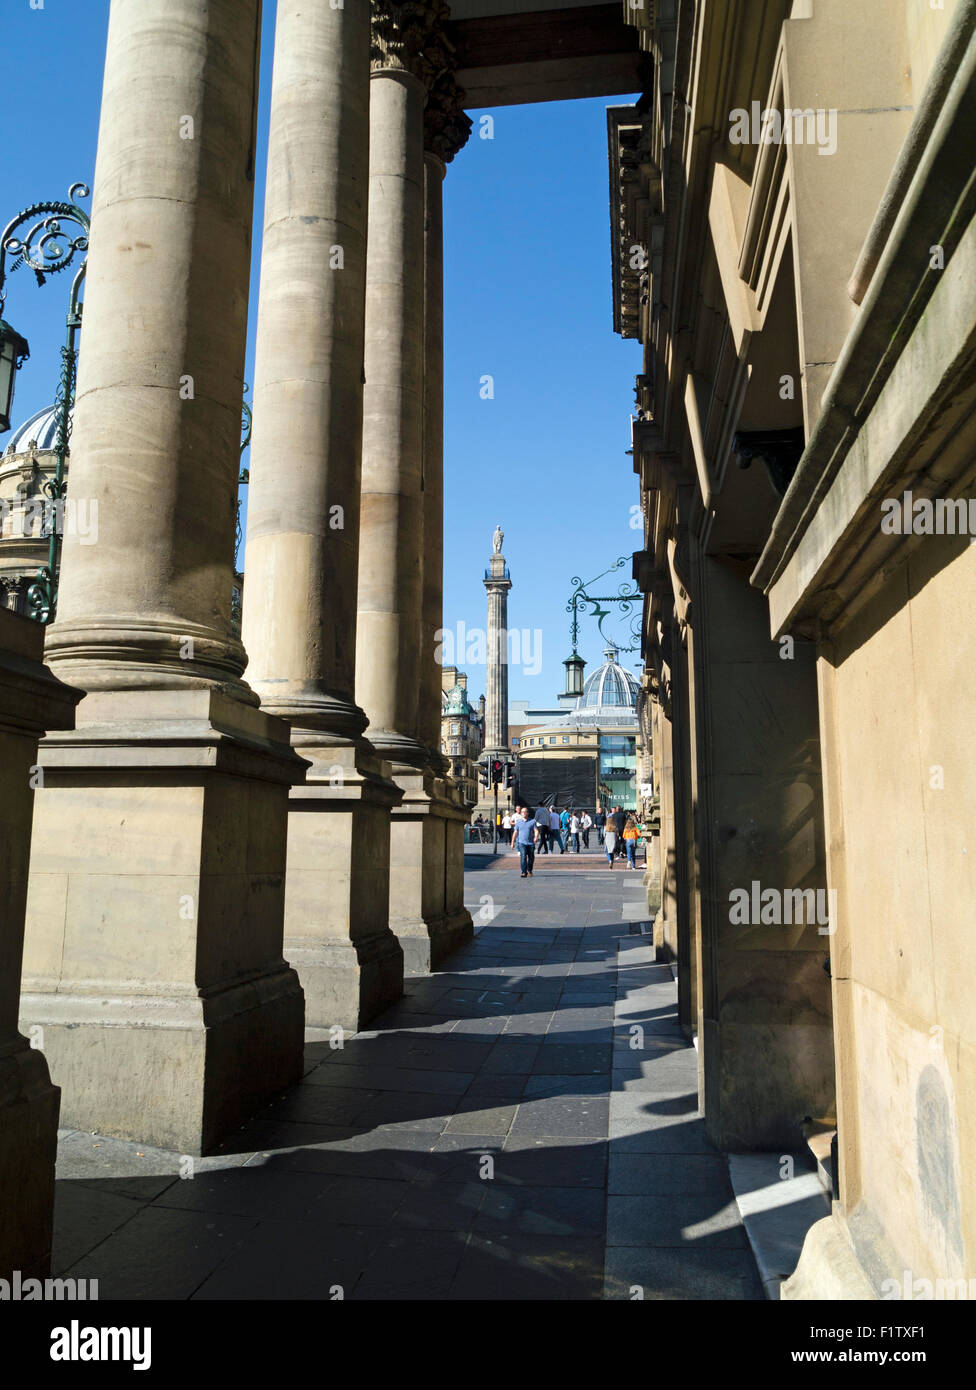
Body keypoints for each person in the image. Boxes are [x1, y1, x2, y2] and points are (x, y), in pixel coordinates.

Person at [511, 806, 539, 878]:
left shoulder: (532, 821)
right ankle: (523, 872)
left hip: (531, 843)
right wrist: (512, 842)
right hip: (521, 843)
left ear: (528, 813)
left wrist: (536, 837)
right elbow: (515, 832)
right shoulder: (518, 822)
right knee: (523, 857)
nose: (523, 813)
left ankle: (529, 870)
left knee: (531, 858)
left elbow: (536, 830)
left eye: (525, 812)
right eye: (522, 812)